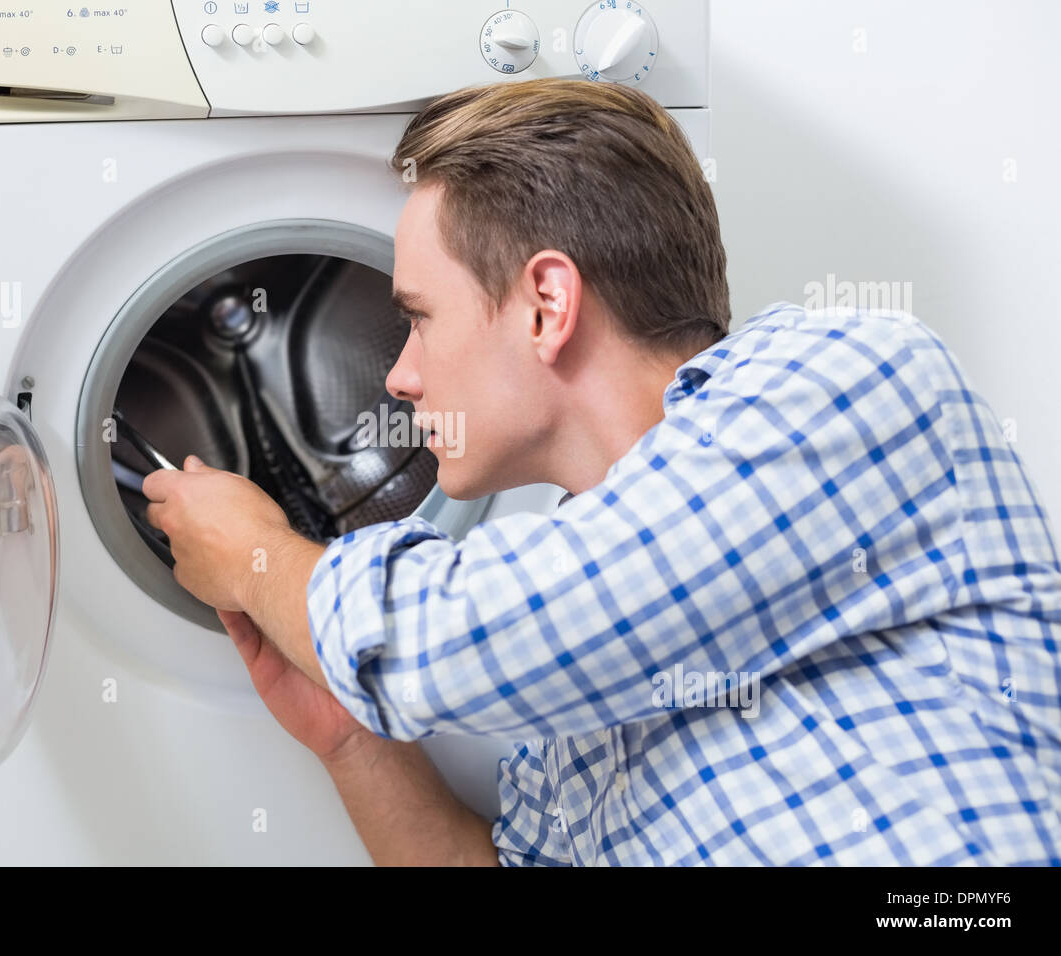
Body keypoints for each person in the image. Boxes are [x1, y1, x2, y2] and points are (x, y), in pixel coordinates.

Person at [142, 77, 1061, 866]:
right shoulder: (560, 722)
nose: (399, 375)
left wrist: (257, 554)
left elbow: (453, 641)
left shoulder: (844, 380)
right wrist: (352, 741)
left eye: (419, 318)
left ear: (547, 304)